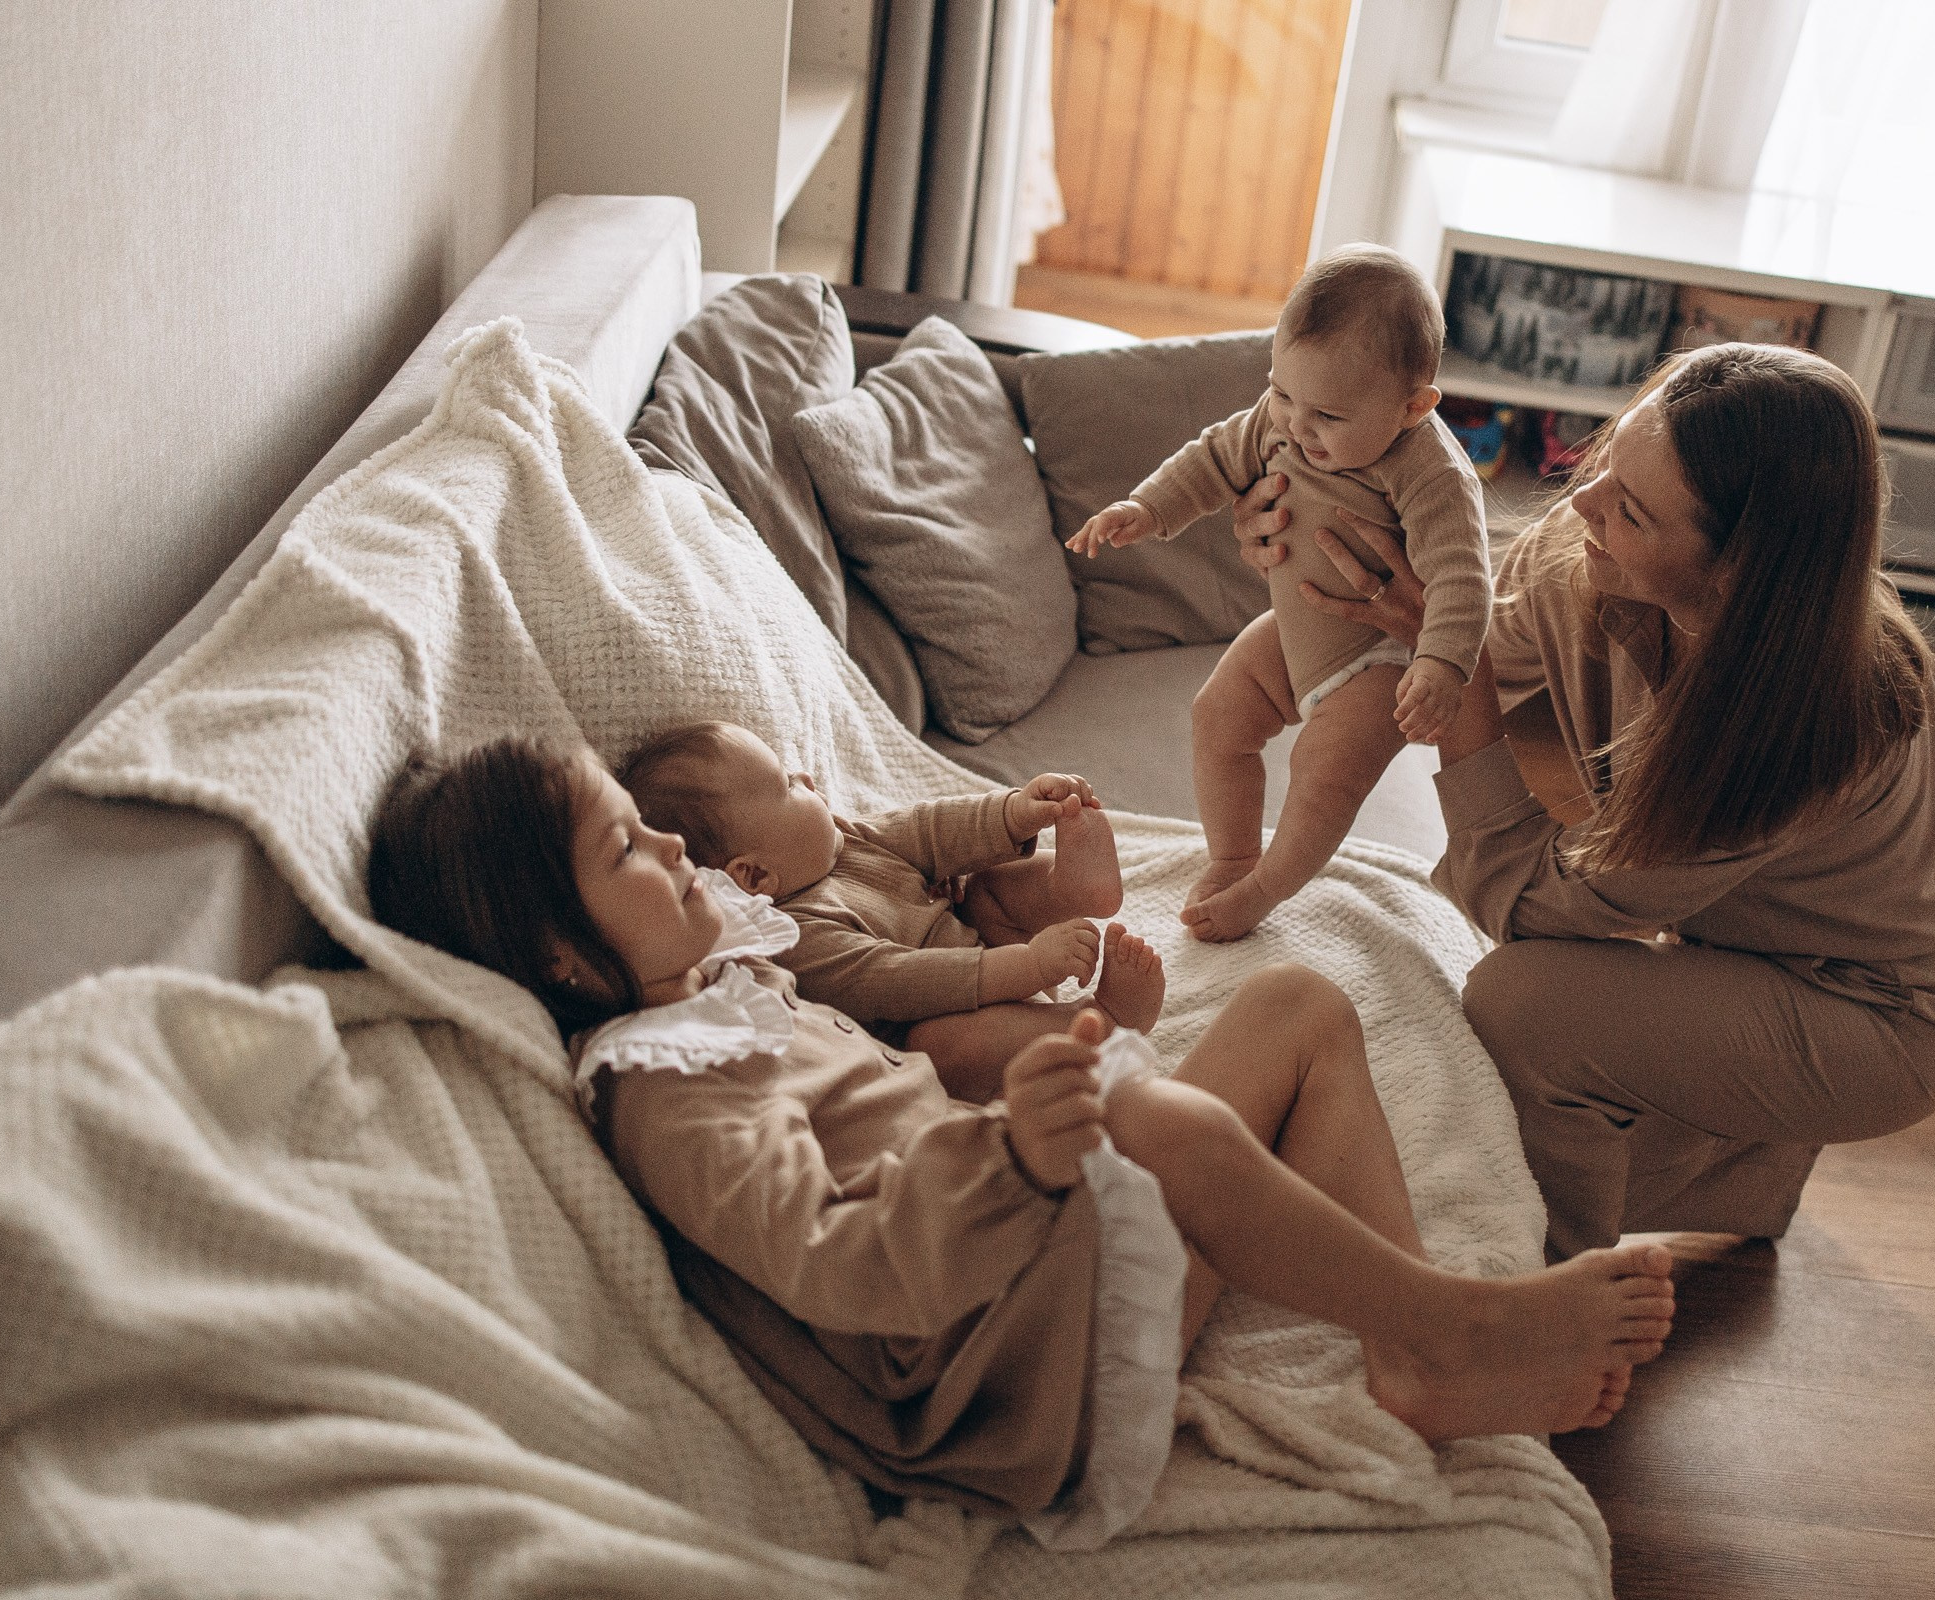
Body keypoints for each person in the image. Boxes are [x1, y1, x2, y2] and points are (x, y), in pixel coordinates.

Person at [364, 736, 1678, 1525]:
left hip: (1028, 1272)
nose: (670, 844)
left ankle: (1416, 1350)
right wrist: (1013, 1153)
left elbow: (898, 1024)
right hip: (997, 1374)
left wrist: (1021, 1046)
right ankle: (1454, 1321)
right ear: (564, 955)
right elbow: (832, 1258)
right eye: (627, 848)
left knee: (1294, 1005)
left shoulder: (732, 978)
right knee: (1144, 1110)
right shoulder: (665, 1082)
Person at [1231, 342, 1935, 1262]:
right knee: (1435, 1134)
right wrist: (1306, 538)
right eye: (1606, 461)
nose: (1579, 501)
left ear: (1735, 571)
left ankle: (1552, 1289)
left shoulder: (1800, 726)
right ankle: (1745, 1168)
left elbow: (1533, 908)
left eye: (1630, 510)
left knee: (1523, 1009)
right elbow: (1434, 630)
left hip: (1875, 1012)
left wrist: (1459, 685)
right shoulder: (1593, 555)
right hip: (1743, 942)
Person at [1066, 245, 1491, 943]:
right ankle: (1233, 858)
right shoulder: (1281, 416)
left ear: (1413, 407)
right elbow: (1212, 459)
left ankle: (1264, 891)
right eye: (1283, 393)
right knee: (1217, 716)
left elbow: (1462, 576)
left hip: (1380, 655)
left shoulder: (1432, 470)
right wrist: (1145, 510)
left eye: (1327, 414)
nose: (1295, 424)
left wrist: (1441, 665)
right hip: (1298, 630)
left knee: (1322, 773)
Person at [617, 719, 1155, 1105]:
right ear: (754, 876)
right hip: (948, 1011)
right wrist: (1030, 966)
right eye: (786, 784)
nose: (806, 778)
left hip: (978, 935)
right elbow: (900, 979)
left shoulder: (843, 839)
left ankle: (1072, 891)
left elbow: (929, 830)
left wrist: (1014, 813)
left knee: (985, 889)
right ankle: (1101, 1020)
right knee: (939, 1048)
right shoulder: (799, 939)